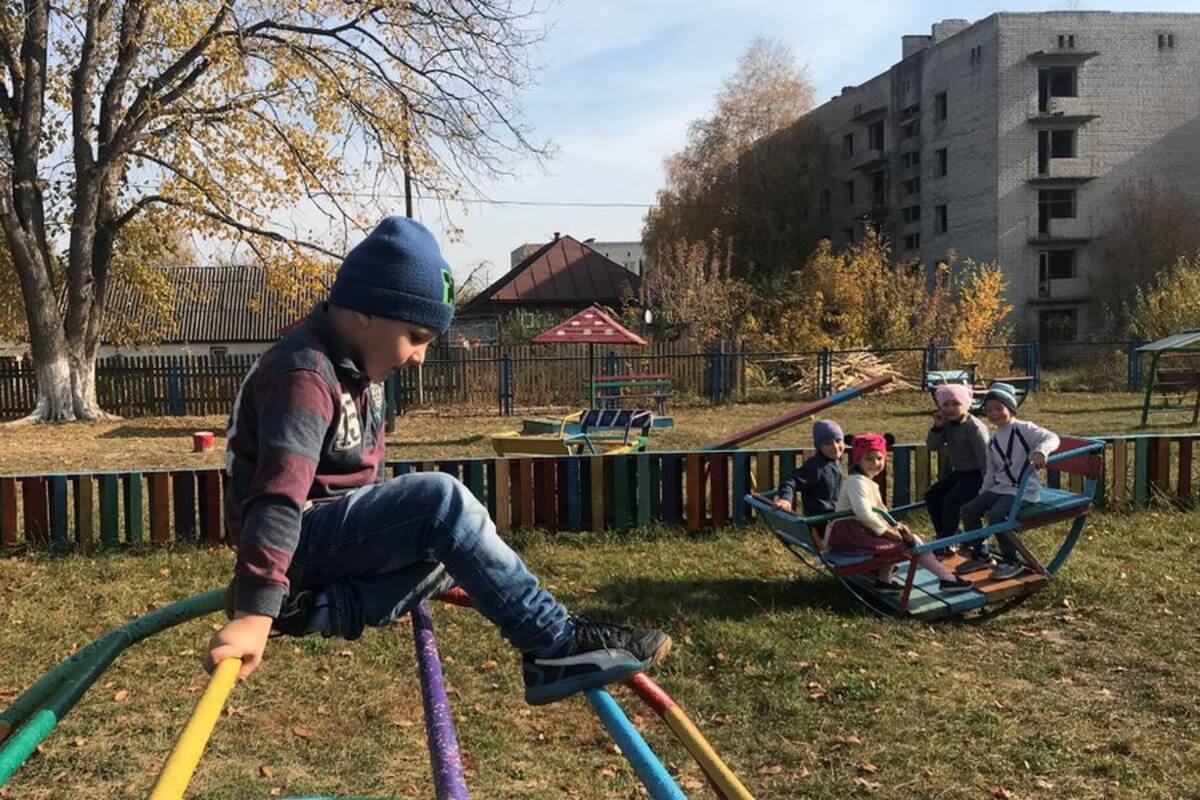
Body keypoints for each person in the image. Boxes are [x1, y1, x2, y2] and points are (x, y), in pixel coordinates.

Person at [204, 216, 671, 706]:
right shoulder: (304, 375)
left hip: (324, 548)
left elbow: (360, 485)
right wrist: (256, 610)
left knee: (466, 547)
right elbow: (277, 497)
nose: (422, 356)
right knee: (441, 504)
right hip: (296, 538)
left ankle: (319, 608)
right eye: (416, 336)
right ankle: (553, 644)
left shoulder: (359, 370)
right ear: (365, 313)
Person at [826, 433, 974, 594]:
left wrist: (894, 527)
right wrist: (888, 531)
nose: (875, 463)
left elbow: (878, 512)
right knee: (911, 543)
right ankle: (947, 579)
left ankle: (884, 581)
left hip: (856, 531)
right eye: (868, 459)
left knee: (906, 536)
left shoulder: (864, 481)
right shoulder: (857, 482)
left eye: (879, 458)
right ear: (858, 460)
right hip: (851, 535)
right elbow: (864, 513)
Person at [961, 382, 1060, 581]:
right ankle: (982, 554)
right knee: (970, 510)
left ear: (1011, 409)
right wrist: (984, 495)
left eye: (999, 408)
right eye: (989, 410)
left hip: (1024, 490)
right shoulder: (993, 442)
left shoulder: (1023, 429)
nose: (994, 413)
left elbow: (1052, 437)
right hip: (1002, 488)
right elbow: (991, 473)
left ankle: (1011, 561)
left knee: (997, 515)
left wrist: (1041, 451)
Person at [923, 383, 991, 572]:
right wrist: (937, 427)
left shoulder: (974, 427)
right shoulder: (947, 424)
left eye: (955, 404)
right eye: (946, 405)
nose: (950, 409)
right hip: (960, 473)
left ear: (966, 405)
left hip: (977, 475)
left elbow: (985, 458)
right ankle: (947, 537)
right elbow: (932, 446)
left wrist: (987, 487)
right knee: (932, 495)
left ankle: (947, 540)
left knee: (952, 501)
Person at [772, 419, 845, 521]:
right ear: (818, 446)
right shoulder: (815, 467)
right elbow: (790, 480)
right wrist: (785, 499)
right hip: (822, 521)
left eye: (838, 441)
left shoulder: (832, 461)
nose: (835, 447)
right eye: (828, 443)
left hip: (834, 516)